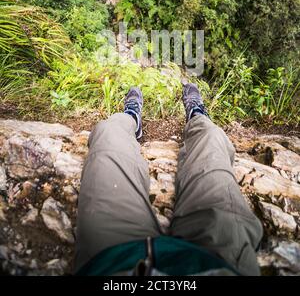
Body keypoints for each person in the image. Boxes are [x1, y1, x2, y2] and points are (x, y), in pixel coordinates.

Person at [74, 83, 263, 276]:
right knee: (212, 137)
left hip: (112, 260)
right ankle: (195, 115)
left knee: (108, 131)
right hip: (220, 258)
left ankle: (132, 115)